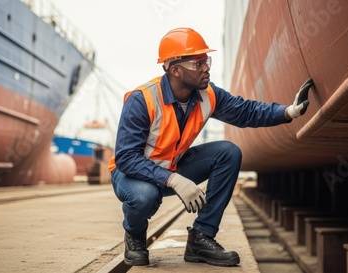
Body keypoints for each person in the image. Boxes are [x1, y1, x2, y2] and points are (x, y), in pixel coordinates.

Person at [108, 27, 313, 267]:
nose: (206, 67)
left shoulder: (208, 93)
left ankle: (201, 238)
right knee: (145, 196)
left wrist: (288, 112)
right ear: (175, 70)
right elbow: (127, 158)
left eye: (206, 60)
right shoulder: (142, 100)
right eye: (198, 63)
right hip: (131, 174)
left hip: (172, 167)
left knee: (228, 152)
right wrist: (173, 180)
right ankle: (134, 235)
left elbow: (246, 111)